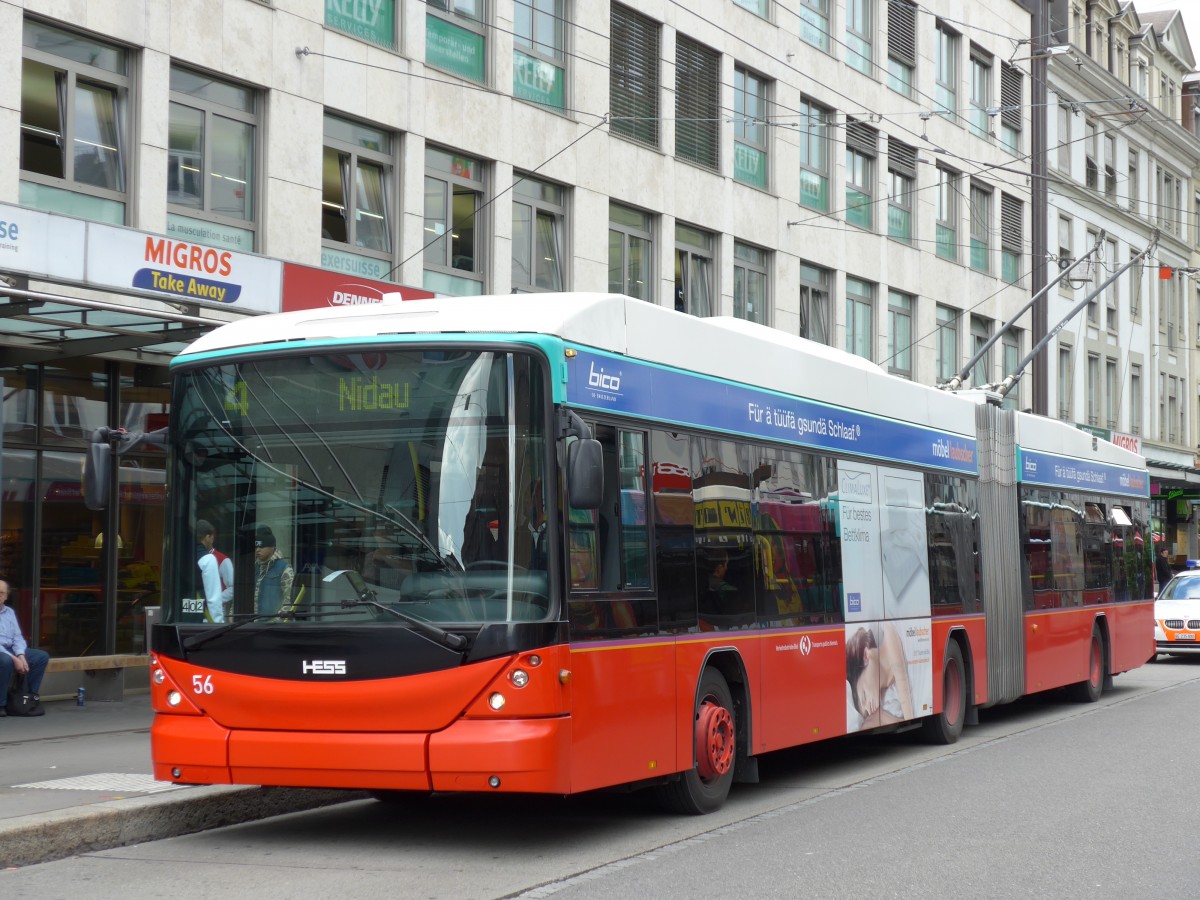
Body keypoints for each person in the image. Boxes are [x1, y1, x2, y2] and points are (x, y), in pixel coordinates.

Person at [846, 622, 914, 729]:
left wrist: (909, 720)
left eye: (864, 696)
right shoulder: (886, 699)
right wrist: (882, 717)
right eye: (866, 712)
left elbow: (901, 677)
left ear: (865, 655)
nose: (868, 708)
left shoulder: (888, 629)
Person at [0, 578, 50, 716]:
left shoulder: (9, 612)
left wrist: (21, 655)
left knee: (41, 657)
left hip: (11, 649)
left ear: (6, 596)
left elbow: (17, 637)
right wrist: (14, 658)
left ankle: (29, 697)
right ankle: (1, 704)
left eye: (1, 593)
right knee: (5, 660)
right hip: (2, 652)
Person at [253, 526, 295, 616]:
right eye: (256, 546)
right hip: (248, 624)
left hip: (272, 625)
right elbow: (240, 595)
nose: (258, 550)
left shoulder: (284, 569)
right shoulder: (252, 568)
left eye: (262, 546)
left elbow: (289, 601)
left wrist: (278, 622)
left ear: (272, 547)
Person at [195, 519, 225, 623]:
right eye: (212, 538)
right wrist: (218, 624)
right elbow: (214, 598)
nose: (212, 542)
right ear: (207, 537)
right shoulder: (208, 559)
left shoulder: (180, 555)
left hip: (182, 618)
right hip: (202, 620)